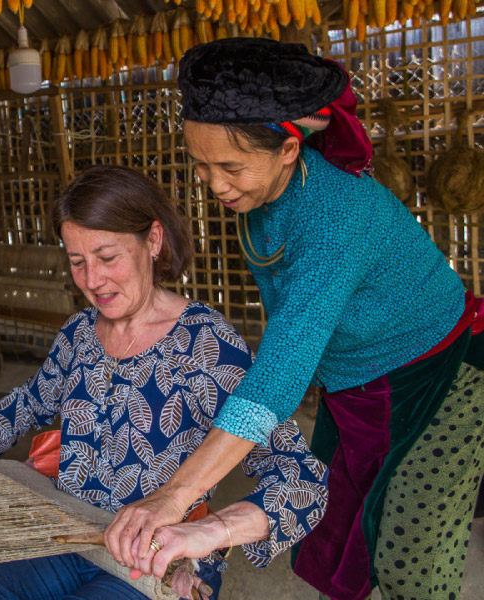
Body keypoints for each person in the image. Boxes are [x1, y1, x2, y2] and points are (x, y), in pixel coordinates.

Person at [107, 37, 484, 600]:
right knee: (344, 543)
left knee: (412, 558)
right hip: (356, 383)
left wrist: (172, 494)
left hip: (441, 375)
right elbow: (291, 338)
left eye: (230, 166)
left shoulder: (336, 216)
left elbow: (280, 374)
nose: (214, 184)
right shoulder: (259, 202)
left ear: (288, 149)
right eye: (201, 164)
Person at [0, 165, 328, 600]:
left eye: (107, 258)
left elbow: (301, 480)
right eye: (77, 262)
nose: (92, 280)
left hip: (153, 559)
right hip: (65, 533)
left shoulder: (207, 346)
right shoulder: (80, 334)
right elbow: (33, 400)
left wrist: (208, 532)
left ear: (153, 241)